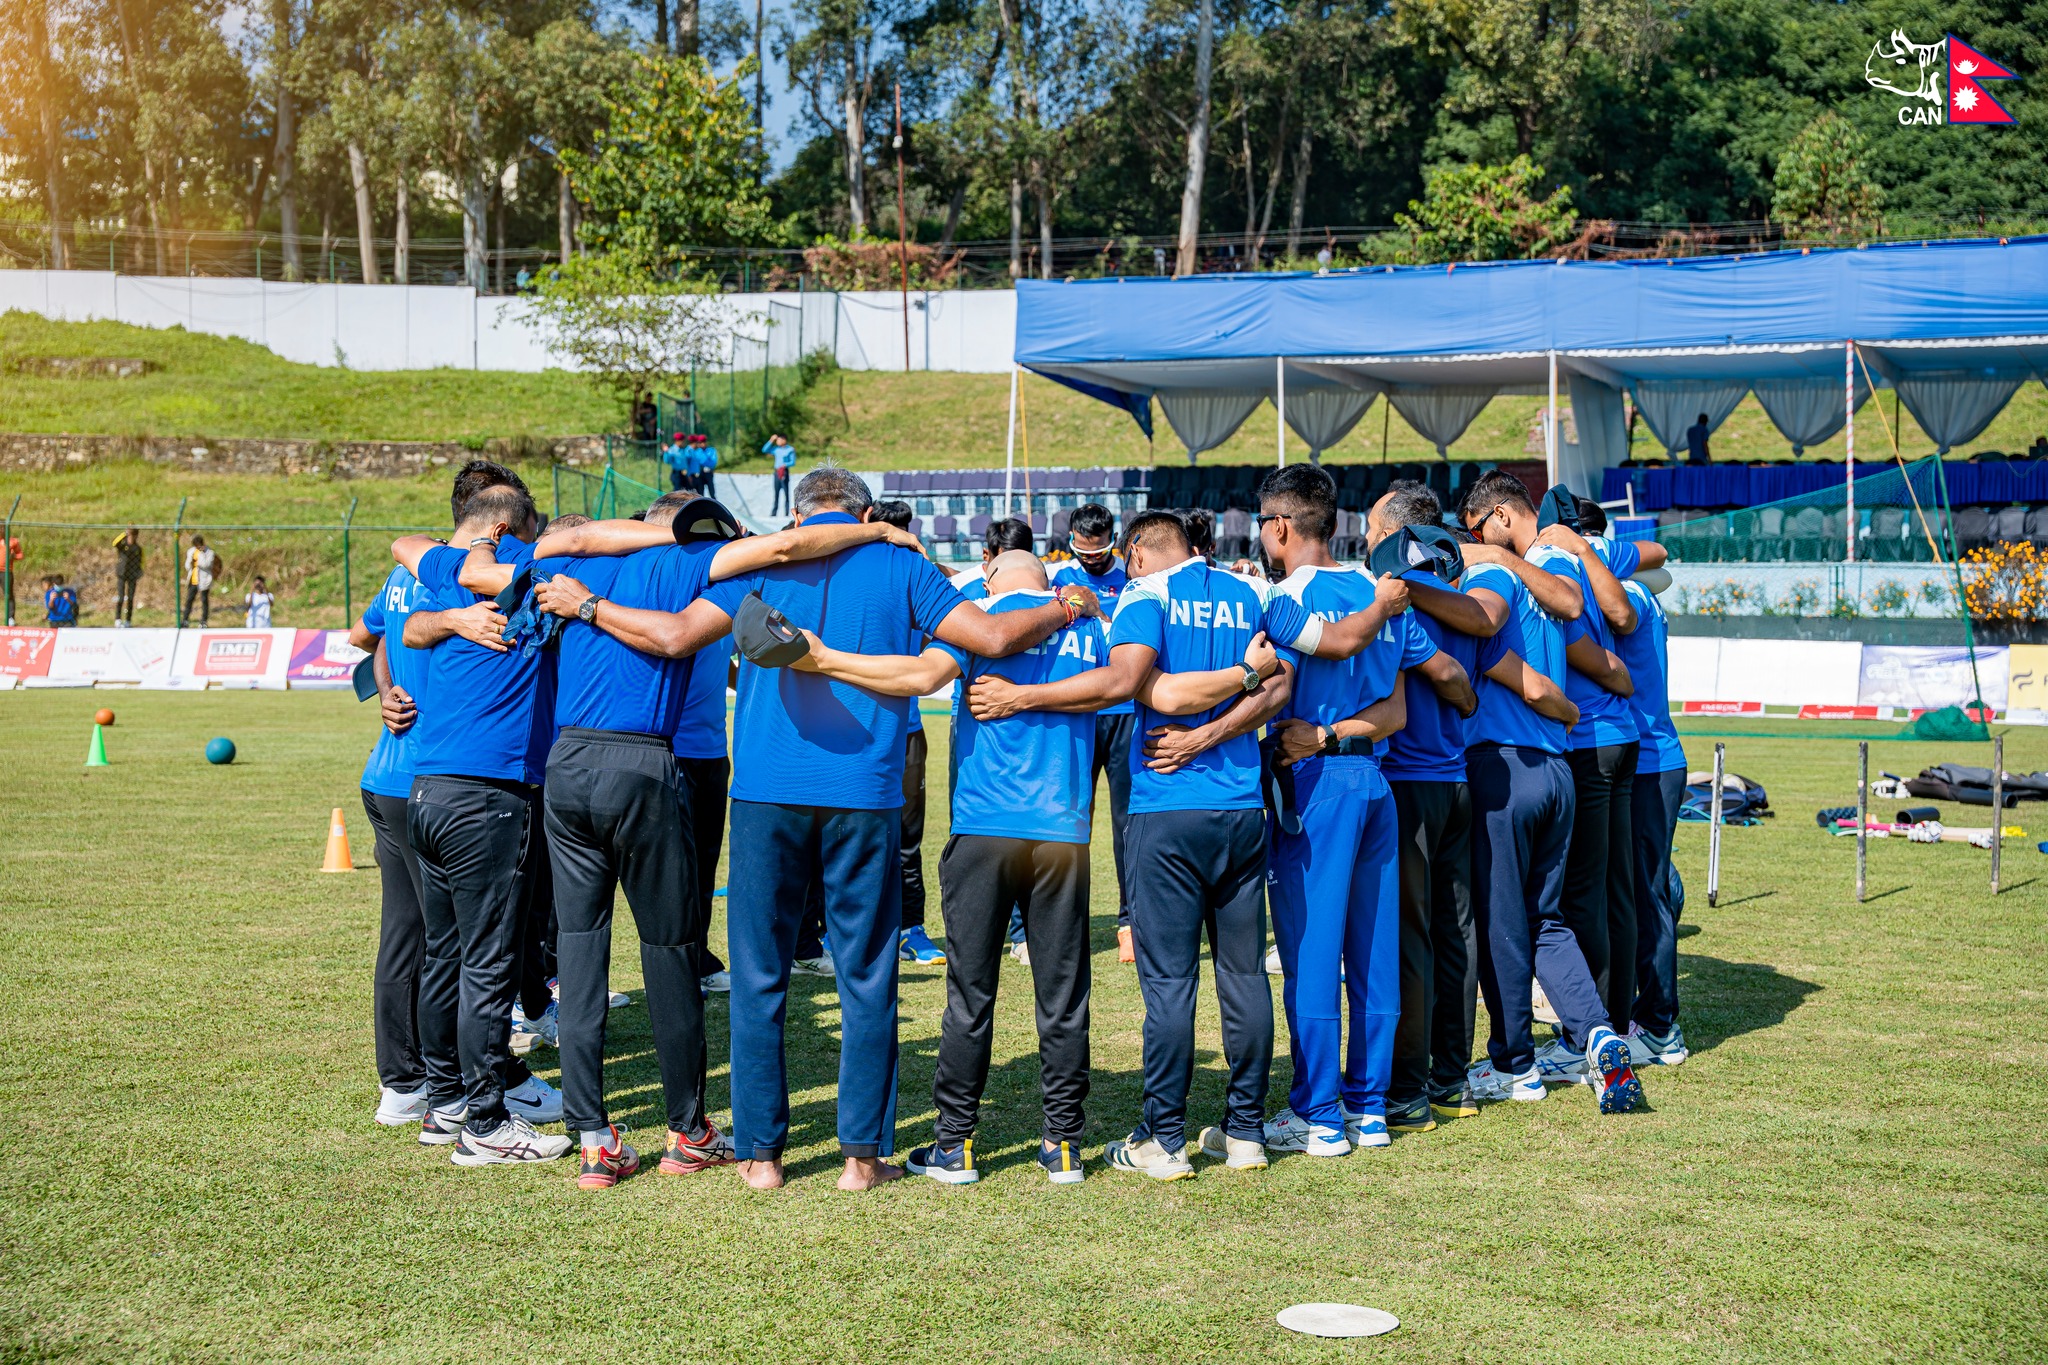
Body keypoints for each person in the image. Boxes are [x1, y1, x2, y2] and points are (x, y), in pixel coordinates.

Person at [537, 467, 1096, 1193]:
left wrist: (590, 606)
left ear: (798, 514)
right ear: (863, 512)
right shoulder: (900, 562)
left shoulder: (767, 558)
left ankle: (763, 1157)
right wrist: (1063, 605)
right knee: (867, 973)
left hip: (766, 791)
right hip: (864, 792)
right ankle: (862, 1159)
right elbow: (988, 632)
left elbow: (675, 635)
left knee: (760, 973)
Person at [966, 509, 1409, 1179]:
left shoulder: (1146, 597)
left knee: (1170, 982)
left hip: (1166, 811)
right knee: (1243, 976)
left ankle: (1165, 1138)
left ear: (1138, 553)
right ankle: (1247, 1132)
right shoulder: (1255, 592)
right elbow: (1297, 669)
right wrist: (1242, 685)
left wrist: (1020, 698)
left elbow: (1129, 686)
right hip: (1239, 812)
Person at [517, 494, 911, 1190]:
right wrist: (876, 528)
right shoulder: (686, 558)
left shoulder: (564, 553)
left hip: (565, 764)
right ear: (684, 527)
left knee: (579, 948)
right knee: (670, 950)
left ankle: (592, 1140)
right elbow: (783, 551)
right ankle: (687, 1130)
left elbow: (486, 564)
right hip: (641, 762)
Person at [792, 550, 1108, 1186]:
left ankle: (955, 1146)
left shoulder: (978, 619)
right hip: (1061, 832)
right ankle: (1064, 1146)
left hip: (984, 829)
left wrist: (823, 659)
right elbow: (1124, 691)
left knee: (970, 991)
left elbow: (914, 678)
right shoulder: (1089, 627)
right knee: (1063, 993)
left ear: (990, 579)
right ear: (1047, 581)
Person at [1256, 465, 1476, 1154]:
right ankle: (1370, 1107)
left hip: (1316, 786)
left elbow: (1329, 649)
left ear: (1282, 527)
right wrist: (1344, 732)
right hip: (1374, 779)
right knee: (1375, 949)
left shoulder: (1281, 598)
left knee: (1313, 953)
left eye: (1265, 525)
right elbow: (1402, 708)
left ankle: (1320, 1114)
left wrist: (1318, 734)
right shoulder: (1379, 591)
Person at [387, 480, 571, 1167]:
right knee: (487, 965)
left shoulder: (446, 575)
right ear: (507, 528)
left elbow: (409, 586)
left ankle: (445, 1104)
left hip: (428, 790)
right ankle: (487, 1122)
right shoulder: (527, 568)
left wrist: (456, 612)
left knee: (445, 955)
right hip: (489, 796)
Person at [1455, 470, 1643, 1114]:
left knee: (1502, 924)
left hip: (1504, 768)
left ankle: (1513, 1065)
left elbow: (1489, 633)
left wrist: (1477, 563)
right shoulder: (1554, 572)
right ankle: (1597, 1034)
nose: (1469, 542)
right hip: (1559, 768)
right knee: (1549, 919)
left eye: (1476, 530)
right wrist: (1562, 709)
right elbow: (1568, 609)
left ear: (1500, 518)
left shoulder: (1495, 575)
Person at [1367, 482, 1487, 1125]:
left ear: (1393, 533)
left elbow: (1445, 675)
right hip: (1457, 780)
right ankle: (1451, 1078)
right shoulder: (1462, 596)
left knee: (1411, 938)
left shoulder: (1401, 598)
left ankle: (1409, 1088)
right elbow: (1471, 673)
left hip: (1410, 783)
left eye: (1371, 528)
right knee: (1455, 933)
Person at [1049, 503, 1139, 964]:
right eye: (1081, 554)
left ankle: (1129, 923)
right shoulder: (1054, 580)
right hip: (1080, 711)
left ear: (1113, 542)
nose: (1090, 562)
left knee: (1128, 824)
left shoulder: (1134, 581)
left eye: (1099, 553)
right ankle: (1065, 922)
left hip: (1125, 714)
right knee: (1069, 819)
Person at [873, 499, 944, 966]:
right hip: (857, 725)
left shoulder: (924, 574)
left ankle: (911, 928)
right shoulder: (856, 575)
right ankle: (841, 931)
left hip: (908, 728)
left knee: (906, 838)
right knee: (848, 829)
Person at [182, 536, 220, 626]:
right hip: (193, 579)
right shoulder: (191, 551)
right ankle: (185, 619)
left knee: (204, 600)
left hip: (204, 580)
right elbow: (187, 565)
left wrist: (199, 559)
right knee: (189, 600)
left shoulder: (209, 552)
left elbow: (207, 564)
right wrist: (191, 564)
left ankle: (203, 621)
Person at [113, 528, 143, 626]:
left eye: (133, 535)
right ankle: (118, 618)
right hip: (122, 574)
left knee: (130, 598)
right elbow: (114, 543)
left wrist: (139, 571)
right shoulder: (123, 546)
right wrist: (124, 534)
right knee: (120, 597)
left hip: (132, 575)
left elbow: (141, 561)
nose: (132, 538)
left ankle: (128, 620)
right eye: (130, 535)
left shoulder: (137, 548)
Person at [766, 434, 797, 515]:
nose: (777, 441)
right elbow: (764, 450)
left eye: (779, 440)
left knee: (786, 493)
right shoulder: (776, 449)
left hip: (784, 472)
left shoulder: (790, 449)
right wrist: (771, 440)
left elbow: (792, 462)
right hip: (776, 473)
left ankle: (786, 513)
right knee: (776, 493)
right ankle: (774, 513)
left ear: (784, 440)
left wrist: (785, 465)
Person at [697, 435, 720, 500]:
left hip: (708, 473)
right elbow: (696, 462)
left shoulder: (711, 450)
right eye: (700, 442)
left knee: (712, 492)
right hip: (700, 473)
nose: (702, 444)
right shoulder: (697, 451)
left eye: (703, 442)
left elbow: (713, 462)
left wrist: (703, 461)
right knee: (700, 493)